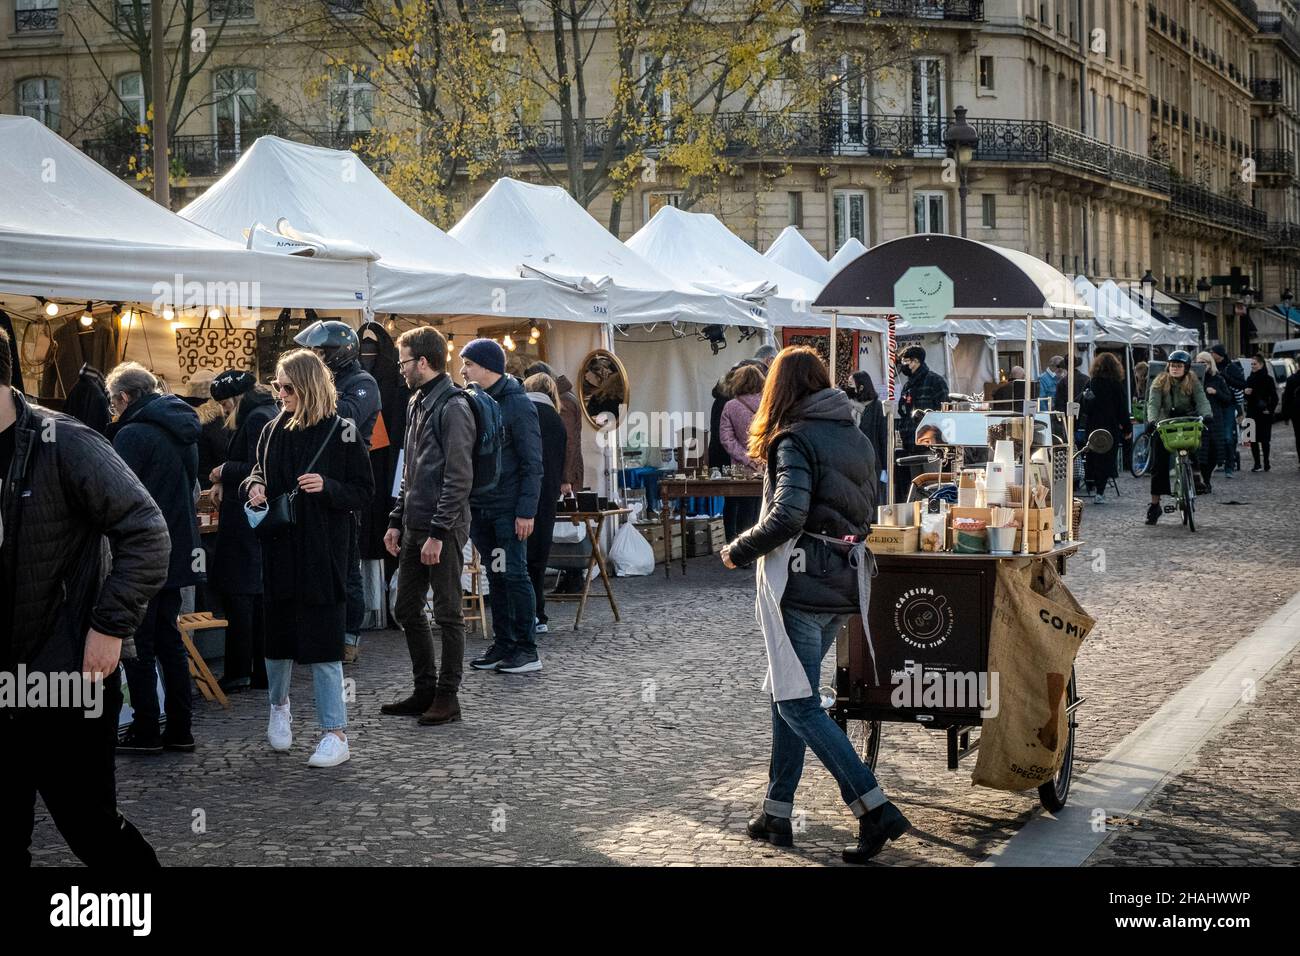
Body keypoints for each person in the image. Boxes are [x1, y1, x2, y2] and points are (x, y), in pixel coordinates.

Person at [719, 347, 904, 864]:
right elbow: (866, 512)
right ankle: (777, 812)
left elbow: (788, 515)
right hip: (842, 583)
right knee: (788, 693)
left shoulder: (793, 438)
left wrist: (738, 548)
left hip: (802, 587)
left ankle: (874, 808)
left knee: (798, 702)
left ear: (779, 390)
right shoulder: (855, 435)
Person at [1, 328, 168, 866]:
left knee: (91, 829)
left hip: (63, 672)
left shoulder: (65, 442)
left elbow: (146, 531)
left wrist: (109, 627)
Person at [244, 349, 374, 767]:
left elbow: (364, 491)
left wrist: (328, 486)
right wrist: (255, 487)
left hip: (323, 554)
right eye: (277, 387)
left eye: (287, 387)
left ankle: (335, 732)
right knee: (277, 642)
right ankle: (279, 709)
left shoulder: (343, 431)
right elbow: (257, 471)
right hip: (280, 549)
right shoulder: (271, 430)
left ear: (308, 386)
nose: (280, 394)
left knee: (323, 646)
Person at [105, 362, 204, 755]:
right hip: (179, 547)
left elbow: (116, 496)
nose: (112, 408)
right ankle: (180, 729)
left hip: (142, 552)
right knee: (169, 639)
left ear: (126, 397)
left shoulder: (132, 434)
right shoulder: (183, 430)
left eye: (114, 401)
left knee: (140, 643)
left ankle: (146, 729)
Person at [382, 328, 475, 726]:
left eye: (403, 361)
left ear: (423, 361)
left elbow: (458, 477)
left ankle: (447, 697)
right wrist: (395, 520)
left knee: (449, 613)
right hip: (416, 524)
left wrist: (438, 532)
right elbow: (410, 471)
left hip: (444, 527)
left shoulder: (453, 406)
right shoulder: (417, 401)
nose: (400, 369)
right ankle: (425, 690)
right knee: (406, 608)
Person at [294, 320, 380, 665]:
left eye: (320, 352)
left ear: (338, 352)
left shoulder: (362, 383)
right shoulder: (334, 381)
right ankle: (318, 632)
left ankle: (348, 637)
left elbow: (348, 418)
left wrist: (313, 387)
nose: (316, 357)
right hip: (314, 486)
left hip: (344, 485)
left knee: (347, 568)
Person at [461, 339, 545, 675]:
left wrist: (526, 510)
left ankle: (527, 648)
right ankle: (505, 643)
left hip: (509, 508)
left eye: (468, 363)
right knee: (496, 575)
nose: (463, 370)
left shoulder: (518, 404)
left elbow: (532, 462)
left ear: (487, 367)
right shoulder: (474, 400)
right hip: (482, 506)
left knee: (514, 574)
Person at [208, 370, 277, 693]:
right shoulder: (265, 411)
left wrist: (223, 471)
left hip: (247, 520)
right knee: (253, 596)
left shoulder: (255, 418)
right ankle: (259, 671)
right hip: (253, 520)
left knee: (243, 596)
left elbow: (257, 467)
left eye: (224, 404)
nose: (222, 411)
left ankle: (242, 670)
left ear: (236, 399)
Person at [523, 372, 568, 635]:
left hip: (525, 495)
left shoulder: (524, 412)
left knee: (519, 560)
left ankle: (527, 613)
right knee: (538, 558)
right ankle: (539, 613)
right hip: (548, 495)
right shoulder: (556, 419)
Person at [1145, 350, 1210, 525]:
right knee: (1158, 464)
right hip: (1165, 425)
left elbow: (1201, 399)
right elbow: (1153, 403)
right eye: (1173, 365)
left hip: (1187, 421)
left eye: (1179, 366)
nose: (1175, 368)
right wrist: (1152, 420)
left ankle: (1196, 478)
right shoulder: (1159, 381)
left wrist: (1207, 414)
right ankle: (1154, 505)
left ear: (1186, 368)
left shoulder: (1193, 381)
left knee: (1195, 444)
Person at [719, 362, 766, 535]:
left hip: (739, 468)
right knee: (759, 508)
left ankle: (735, 548)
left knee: (736, 506)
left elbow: (726, 439)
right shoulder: (768, 405)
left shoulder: (731, 406)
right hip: (765, 465)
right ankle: (754, 547)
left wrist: (746, 457)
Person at [1081, 353, 1130, 504]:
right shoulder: (1116, 385)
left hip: (1093, 425)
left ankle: (1091, 484)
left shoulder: (1091, 383)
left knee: (1093, 456)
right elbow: (1122, 409)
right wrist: (1127, 428)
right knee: (1107, 458)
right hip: (1110, 426)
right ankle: (1100, 491)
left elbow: (1084, 408)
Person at [897, 345, 948, 452]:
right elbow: (903, 412)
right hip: (910, 442)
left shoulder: (935, 381)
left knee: (930, 469)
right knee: (914, 468)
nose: (903, 365)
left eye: (906, 361)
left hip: (930, 445)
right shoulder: (908, 385)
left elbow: (944, 411)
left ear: (915, 361)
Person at [1196, 351, 1233, 493]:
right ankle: (1204, 481)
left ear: (1210, 363)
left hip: (1215, 419)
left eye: (1203, 363)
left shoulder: (1218, 379)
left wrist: (1215, 392)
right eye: (1198, 362)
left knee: (1214, 452)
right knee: (1202, 452)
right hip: (1199, 419)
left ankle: (1207, 479)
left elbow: (1228, 398)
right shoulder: (1195, 379)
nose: (1201, 365)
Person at [845, 370, 887, 487]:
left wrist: (885, 467)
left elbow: (883, 438)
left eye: (851, 384)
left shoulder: (877, 407)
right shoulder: (849, 406)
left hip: (873, 463)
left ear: (861, 387)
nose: (848, 388)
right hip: (853, 461)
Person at [1244, 353, 1278, 473]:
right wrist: (1246, 393)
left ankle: (1266, 462)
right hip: (1252, 413)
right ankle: (1257, 463)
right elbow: (1247, 398)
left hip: (1264, 413)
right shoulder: (1249, 379)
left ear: (1261, 364)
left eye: (1255, 364)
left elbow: (1274, 397)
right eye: (1252, 364)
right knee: (1252, 439)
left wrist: (1269, 409)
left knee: (1264, 440)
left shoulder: (1268, 379)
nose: (1253, 366)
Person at [1283, 363, 1300, 467]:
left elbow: (1286, 398)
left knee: (1298, 436)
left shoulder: (1291, 379)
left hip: (1296, 411)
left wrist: (1286, 416)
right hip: (1296, 411)